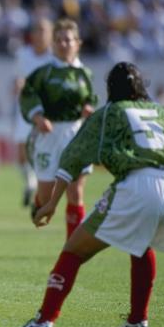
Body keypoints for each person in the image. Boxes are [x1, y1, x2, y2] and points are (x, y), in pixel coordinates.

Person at [12, 62, 164, 327]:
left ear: (110, 89)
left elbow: (71, 158)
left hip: (139, 184)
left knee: (73, 250)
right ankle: (137, 322)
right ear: (141, 87)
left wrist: (50, 204)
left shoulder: (109, 113)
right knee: (141, 246)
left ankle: (43, 321)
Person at [20, 18, 97, 239]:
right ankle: (38, 202)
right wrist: (37, 117)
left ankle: (72, 245)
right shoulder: (43, 73)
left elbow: (92, 98)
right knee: (46, 194)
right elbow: (27, 95)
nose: (64, 44)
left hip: (77, 134)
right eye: (60, 40)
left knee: (75, 191)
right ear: (53, 44)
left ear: (78, 43)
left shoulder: (85, 74)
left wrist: (89, 108)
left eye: (69, 40)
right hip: (49, 134)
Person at [12, 17, 53, 207]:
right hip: (26, 108)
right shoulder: (23, 54)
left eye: (43, 30)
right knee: (22, 151)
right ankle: (30, 183)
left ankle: (46, 191)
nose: (39, 35)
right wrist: (18, 87)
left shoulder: (55, 57)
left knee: (45, 151)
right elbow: (18, 78)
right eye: (36, 30)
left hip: (48, 111)